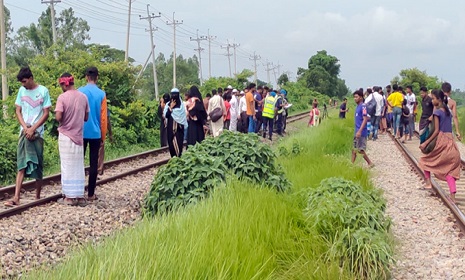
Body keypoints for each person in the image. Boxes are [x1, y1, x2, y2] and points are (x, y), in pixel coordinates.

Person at [5, 67, 51, 207]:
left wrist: (33, 128)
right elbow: (18, 110)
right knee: (21, 164)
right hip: (24, 132)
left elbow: (46, 113)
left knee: (38, 163)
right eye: (21, 82)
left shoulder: (43, 91)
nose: (23, 84)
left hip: (38, 134)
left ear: (31, 78)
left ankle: (37, 196)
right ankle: (16, 196)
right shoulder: (21, 91)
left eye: (24, 81)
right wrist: (25, 128)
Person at [419, 89, 460, 203]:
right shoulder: (447, 111)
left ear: (439, 99)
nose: (432, 100)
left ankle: (428, 183)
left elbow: (436, 131)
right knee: (449, 170)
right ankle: (452, 197)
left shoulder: (437, 113)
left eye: (433, 98)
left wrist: (426, 142)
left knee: (425, 160)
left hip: (442, 141)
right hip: (451, 142)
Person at [55, 73, 89, 206]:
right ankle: (80, 196)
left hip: (65, 135)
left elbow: (58, 117)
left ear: (64, 84)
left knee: (66, 165)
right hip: (79, 136)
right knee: (78, 166)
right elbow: (86, 117)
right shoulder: (83, 97)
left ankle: (69, 197)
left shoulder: (62, 98)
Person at [79, 66, 107, 201]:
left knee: (79, 162)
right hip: (96, 133)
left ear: (86, 77)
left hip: (81, 132)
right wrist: (103, 136)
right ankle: (90, 194)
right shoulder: (102, 94)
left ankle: (78, 192)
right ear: (97, 77)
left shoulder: (79, 91)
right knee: (93, 164)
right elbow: (103, 118)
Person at [351, 90, 374, 168]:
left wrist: (360, 131)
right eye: (354, 97)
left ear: (361, 97)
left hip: (361, 132)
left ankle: (370, 163)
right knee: (354, 149)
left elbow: (365, 118)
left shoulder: (363, 106)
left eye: (356, 97)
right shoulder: (358, 107)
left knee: (360, 149)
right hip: (357, 131)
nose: (355, 99)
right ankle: (352, 165)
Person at [164, 88, 188, 157]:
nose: (174, 96)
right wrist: (171, 108)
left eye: (176, 94)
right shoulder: (168, 105)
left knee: (178, 145)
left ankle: (178, 159)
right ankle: (173, 159)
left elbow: (183, 118)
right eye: (173, 94)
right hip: (170, 129)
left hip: (179, 130)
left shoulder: (181, 106)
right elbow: (166, 115)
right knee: (171, 146)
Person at [97, 107, 114, 176]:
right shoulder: (104, 107)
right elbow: (107, 121)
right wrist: (110, 134)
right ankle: (99, 169)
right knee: (100, 149)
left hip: (89, 131)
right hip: (100, 130)